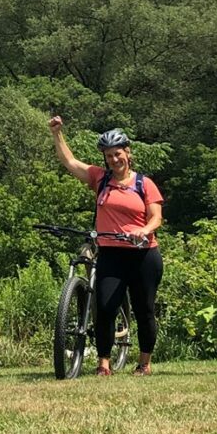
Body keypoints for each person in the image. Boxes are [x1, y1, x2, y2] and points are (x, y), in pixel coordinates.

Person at [48, 118, 164, 375]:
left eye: (118, 154)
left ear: (128, 153)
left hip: (143, 254)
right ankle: (103, 364)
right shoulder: (100, 178)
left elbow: (156, 217)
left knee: (144, 310)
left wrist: (144, 230)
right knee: (105, 307)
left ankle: (144, 363)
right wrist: (57, 134)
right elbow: (70, 162)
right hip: (110, 253)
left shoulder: (144, 184)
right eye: (109, 156)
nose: (114, 159)